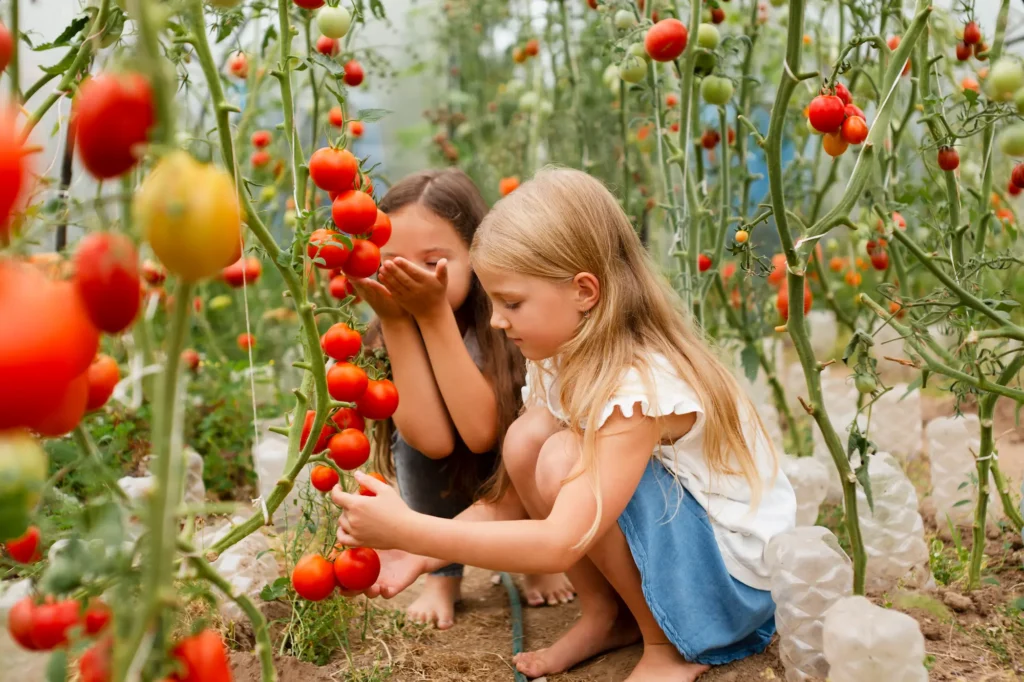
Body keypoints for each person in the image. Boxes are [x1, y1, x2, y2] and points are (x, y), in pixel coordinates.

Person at [335, 167, 797, 681]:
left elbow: (558, 541)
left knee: (561, 457)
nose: (496, 320)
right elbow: (511, 500)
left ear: (584, 291)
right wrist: (420, 550)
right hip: (686, 556)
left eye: (511, 303)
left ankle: (670, 646)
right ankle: (607, 617)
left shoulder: (638, 386)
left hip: (727, 591)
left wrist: (411, 526)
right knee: (529, 440)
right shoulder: (561, 357)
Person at [352, 168, 575, 630]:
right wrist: (397, 323)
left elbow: (481, 435)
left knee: (528, 441)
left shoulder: (507, 320)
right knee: (410, 444)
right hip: (446, 469)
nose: (411, 274)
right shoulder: (390, 324)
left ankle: (534, 560)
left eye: (433, 260)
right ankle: (443, 577)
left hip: (508, 463)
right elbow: (429, 442)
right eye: (392, 260)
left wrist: (432, 314)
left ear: (475, 255)